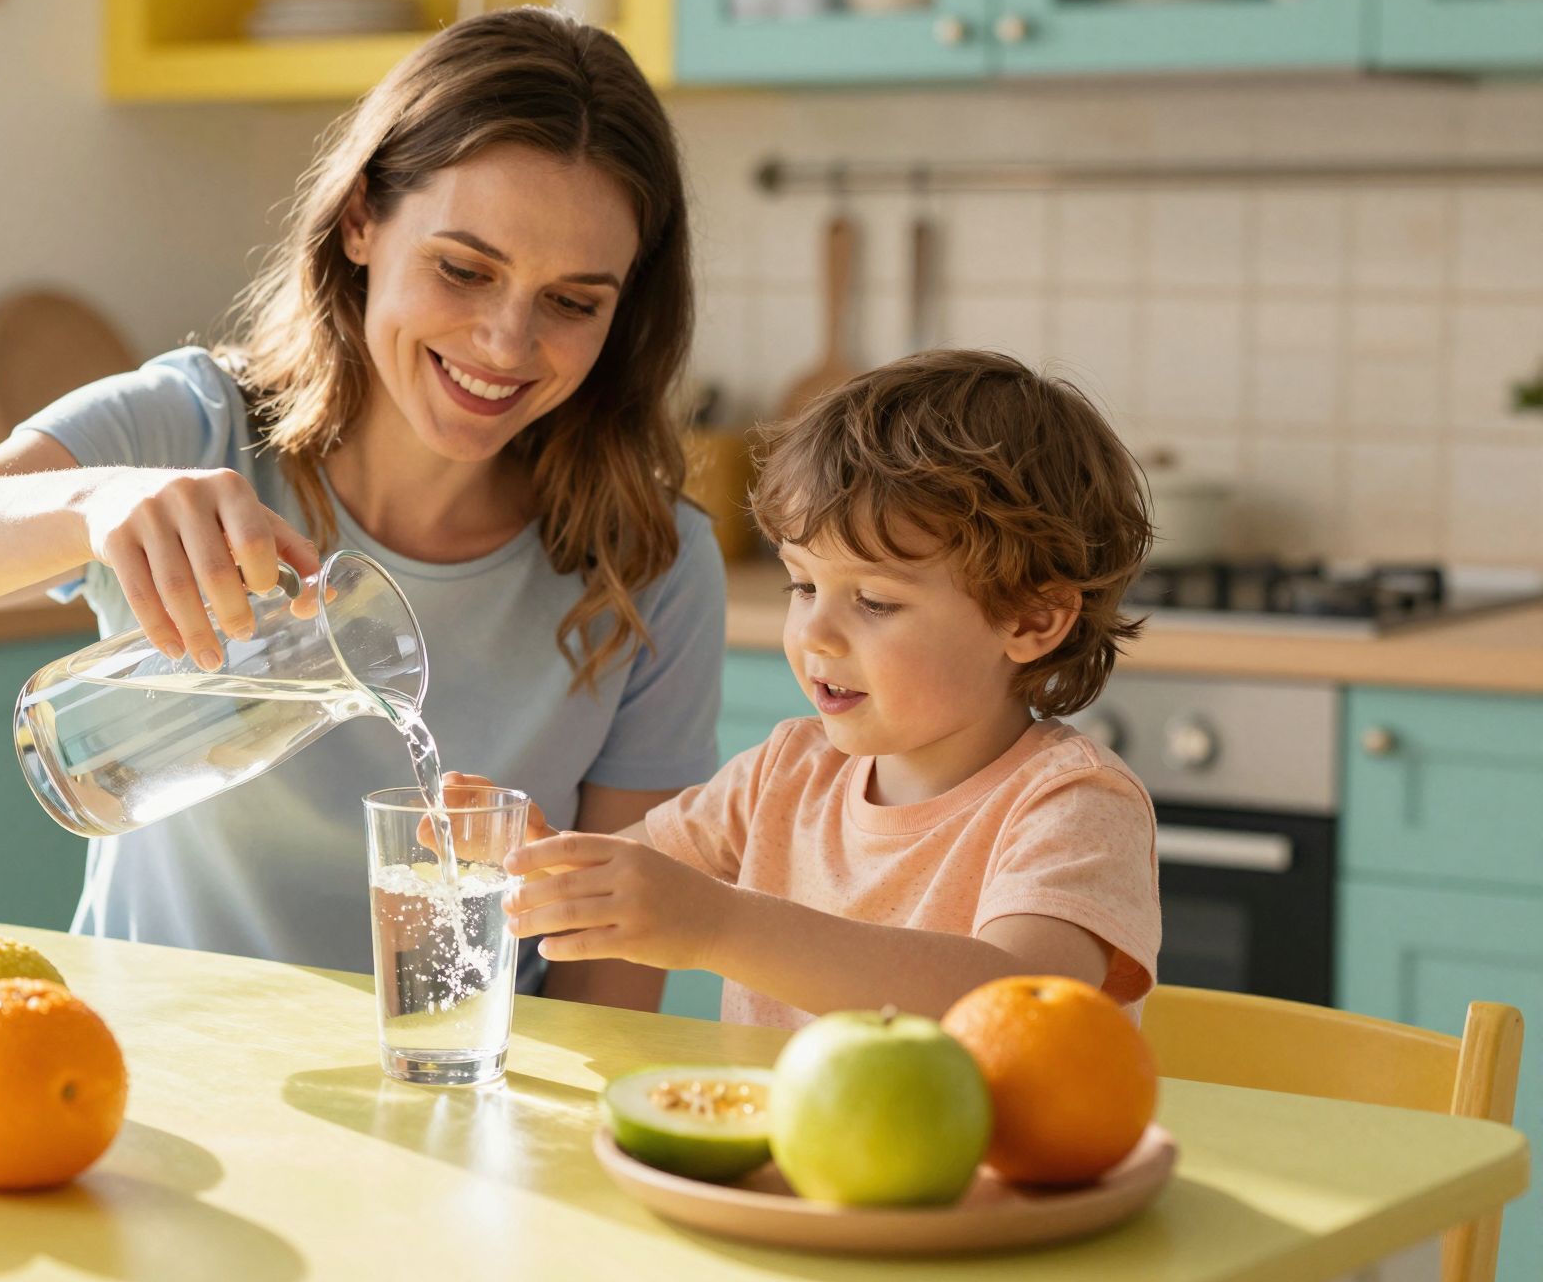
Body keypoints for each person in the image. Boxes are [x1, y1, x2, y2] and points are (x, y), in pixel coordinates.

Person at [0, 8, 723, 1012]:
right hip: (147, 1091)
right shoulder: (196, 430)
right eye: (462, 269)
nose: (505, 342)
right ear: (362, 219)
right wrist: (91, 501)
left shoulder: (649, 565)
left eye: (573, 302)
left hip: (454, 1114)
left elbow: (606, 990)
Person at [488, 349, 1160, 1025]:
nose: (816, 634)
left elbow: (1013, 1005)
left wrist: (720, 927)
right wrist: (528, 854)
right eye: (803, 585)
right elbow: (618, 880)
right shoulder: (784, 777)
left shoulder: (1072, 805)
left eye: (873, 600)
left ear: (1033, 618)